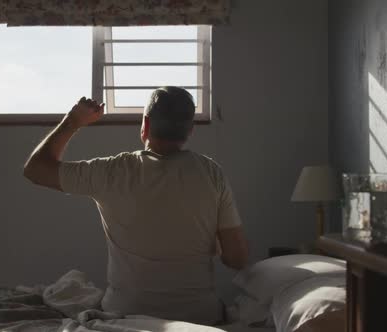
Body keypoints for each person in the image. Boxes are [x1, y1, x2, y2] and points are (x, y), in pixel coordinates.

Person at [23, 87, 248, 325]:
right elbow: (237, 259)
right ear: (190, 130)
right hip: (199, 319)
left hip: (125, 316)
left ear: (146, 125)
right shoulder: (212, 174)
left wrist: (73, 121)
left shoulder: (112, 171)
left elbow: (35, 170)